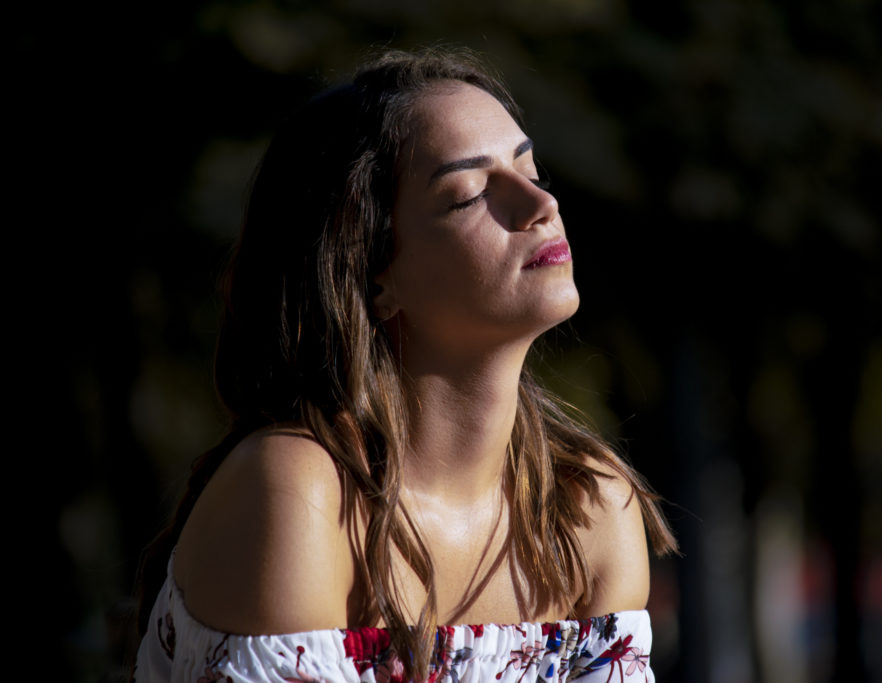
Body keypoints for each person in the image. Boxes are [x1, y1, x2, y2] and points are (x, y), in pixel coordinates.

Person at [134, 47, 676, 682]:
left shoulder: (586, 507)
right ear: (373, 274)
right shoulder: (302, 495)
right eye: (471, 193)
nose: (538, 204)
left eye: (532, 170)